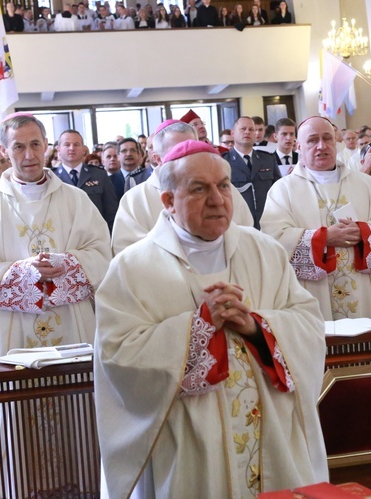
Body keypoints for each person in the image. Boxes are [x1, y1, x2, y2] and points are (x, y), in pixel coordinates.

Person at [95, 139, 328, 498]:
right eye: (199, 189)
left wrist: (256, 326)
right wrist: (198, 329)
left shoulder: (263, 250)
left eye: (223, 185)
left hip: (272, 432)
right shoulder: (132, 267)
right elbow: (117, 358)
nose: (218, 199)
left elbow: (308, 324)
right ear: (168, 201)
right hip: (187, 441)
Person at [0, 113, 111, 364]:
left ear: (47, 145)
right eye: (18, 146)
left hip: (71, 320)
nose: (29, 155)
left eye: (35, 144)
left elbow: (102, 253)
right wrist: (26, 272)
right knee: (19, 399)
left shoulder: (76, 199)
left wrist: (67, 264)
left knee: (74, 400)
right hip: (13, 325)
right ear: (5, 151)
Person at [261, 116, 371, 321]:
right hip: (312, 294)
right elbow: (273, 238)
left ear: (336, 142)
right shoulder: (283, 190)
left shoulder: (364, 184)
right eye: (312, 140)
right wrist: (322, 239)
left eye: (327, 138)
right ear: (298, 146)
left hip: (362, 290)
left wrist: (363, 232)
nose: (321, 146)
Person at [112, 120, 253, 253]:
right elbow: (129, 253)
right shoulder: (135, 199)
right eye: (177, 153)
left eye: (193, 150)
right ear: (157, 159)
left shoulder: (224, 189)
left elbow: (244, 234)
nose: (188, 158)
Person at [53, 129, 118, 231]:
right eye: (67, 144)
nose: (72, 148)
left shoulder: (99, 174)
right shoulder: (52, 177)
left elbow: (111, 213)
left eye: (76, 144)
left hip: (94, 237)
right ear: (59, 149)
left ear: (83, 149)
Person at [223, 116, 282, 229]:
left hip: (268, 223)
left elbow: (279, 190)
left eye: (251, 129)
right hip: (238, 226)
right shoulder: (223, 162)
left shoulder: (268, 159)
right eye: (243, 129)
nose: (247, 132)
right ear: (233, 133)